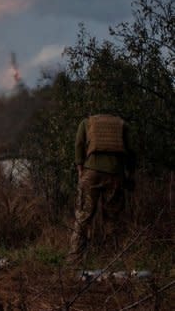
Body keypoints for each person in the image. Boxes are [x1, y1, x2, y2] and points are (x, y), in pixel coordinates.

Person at [66, 113, 136, 265]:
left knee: (83, 217)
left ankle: (74, 261)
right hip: (115, 175)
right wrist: (129, 174)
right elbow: (131, 151)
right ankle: (111, 260)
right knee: (112, 219)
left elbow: (79, 144)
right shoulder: (123, 124)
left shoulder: (86, 122)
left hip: (91, 174)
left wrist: (80, 169)